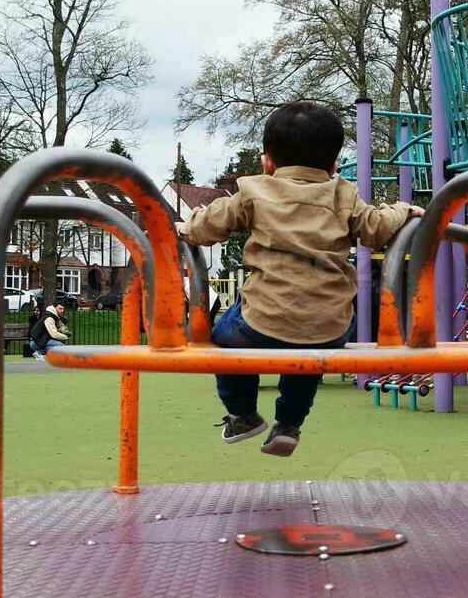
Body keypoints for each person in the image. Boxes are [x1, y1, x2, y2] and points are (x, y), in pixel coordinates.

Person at [178, 101, 419, 457]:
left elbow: (208, 225)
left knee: (223, 339)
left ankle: (242, 413)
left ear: (267, 163)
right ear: (335, 165)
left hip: (262, 321)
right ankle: (288, 424)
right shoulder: (343, 194)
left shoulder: (254, 191)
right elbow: (377, 228)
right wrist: (403, 209)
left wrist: (186, 227)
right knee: (308, 355)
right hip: (332, 327)